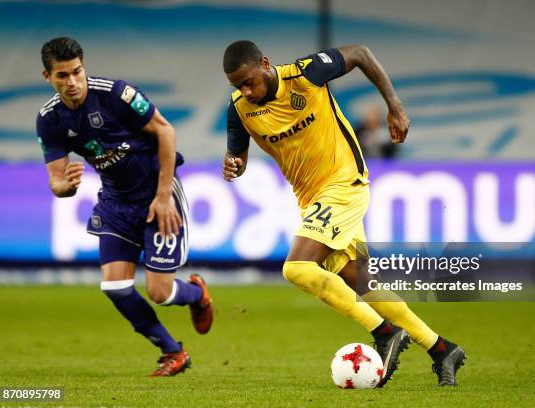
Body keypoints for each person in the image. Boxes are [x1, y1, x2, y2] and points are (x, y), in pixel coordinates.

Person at [222, 40, 465, 386]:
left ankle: (385, 333)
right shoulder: (239, 109)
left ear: (264, 63)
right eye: (238, 86)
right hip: (311, 199)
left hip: (344, 182)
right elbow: (238, 157)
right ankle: (442, 349)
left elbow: (361, 53)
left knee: (296, 268)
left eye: (249, 81)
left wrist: (394, 106)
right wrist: (233, 166)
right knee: (359, 280)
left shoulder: (306, 74)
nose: (246, 91)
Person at [36, 37, 213, 377]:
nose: (72, 83)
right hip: (116, 202)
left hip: (156, 196)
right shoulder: (49, 120)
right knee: (115, 287)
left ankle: (196, 294)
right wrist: (65, 186)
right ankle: (173, 352)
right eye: (62, 76)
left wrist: (163, 197)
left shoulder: (116, 95)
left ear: (83, 67)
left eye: (77, 72)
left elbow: (166, 131)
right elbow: (57, 181)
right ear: (48, 77)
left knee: (160, 293)